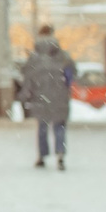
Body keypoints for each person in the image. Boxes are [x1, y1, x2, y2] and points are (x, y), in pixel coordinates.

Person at [17, 26, 75, 169]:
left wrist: (25, 95)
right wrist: (64, 86)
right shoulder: (63, 56)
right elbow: (71, 73)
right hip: (60, 96)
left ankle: (42, 156)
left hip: (40, 97)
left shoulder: (34, 58)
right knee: (59, 126)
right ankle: (60, 154)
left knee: (42, 127)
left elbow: (28, 79)